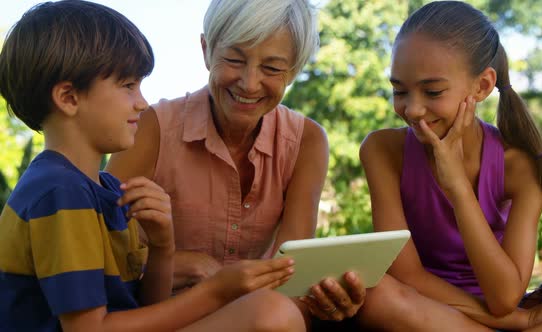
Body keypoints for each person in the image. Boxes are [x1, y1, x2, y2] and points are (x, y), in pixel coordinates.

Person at [0, 1, 304, 331]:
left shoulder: (107, 189)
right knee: (271, 315)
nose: (143, 102)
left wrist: (162, 247)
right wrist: (217, 291)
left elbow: (147, 309)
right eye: (128, 86)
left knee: (268, 310)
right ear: (69, 98)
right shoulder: (59, 192)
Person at [105, 0, 365, 327]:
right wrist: (181, 263)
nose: (249, 83)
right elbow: (100, 255)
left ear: (294, 70)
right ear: (206, 50)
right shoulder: (152, 128)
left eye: (271, 68)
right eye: (233, 59)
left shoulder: (307, 142)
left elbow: (290, 270)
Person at [356, 1, 542, 331]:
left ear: (481, 87)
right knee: (376, 295)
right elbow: (406, 275)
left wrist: (458, 188)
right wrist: (523, 320)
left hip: (495, 306)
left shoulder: (521, 166)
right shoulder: (382, 150)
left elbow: (504, 296)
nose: (412, 109)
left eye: (432, 91)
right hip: (427, 308)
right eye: (399, 90)